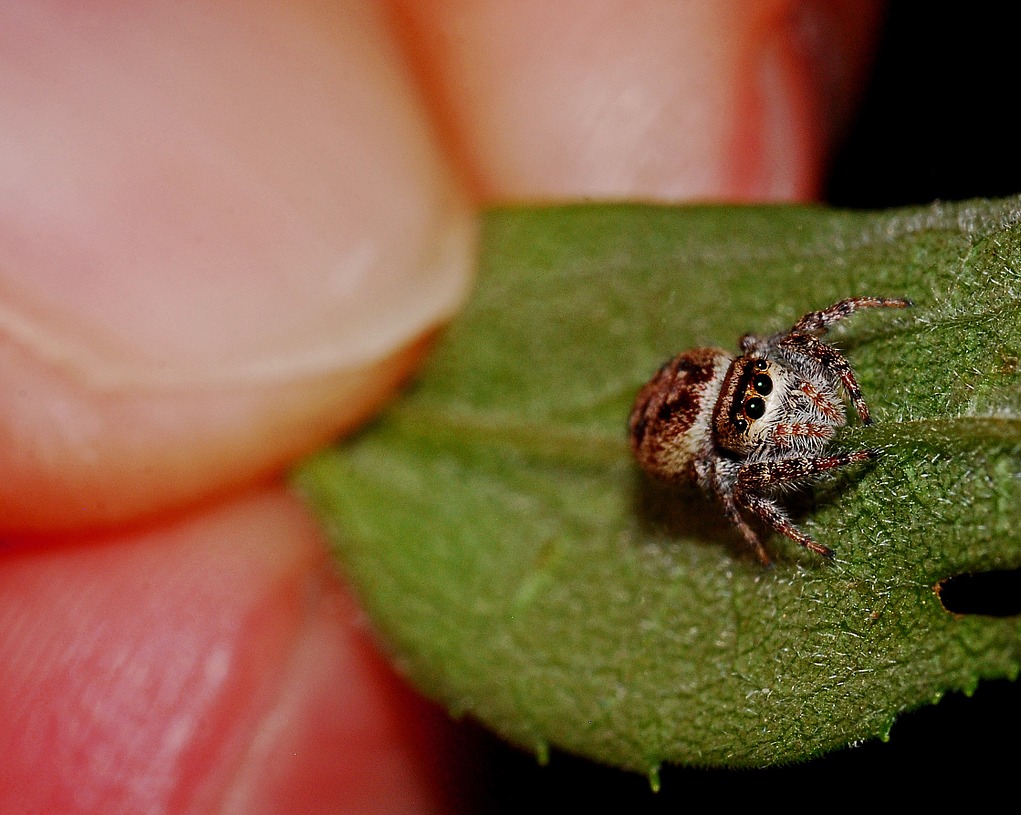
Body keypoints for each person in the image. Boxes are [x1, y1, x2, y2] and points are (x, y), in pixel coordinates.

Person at [0, 2, 879, 811]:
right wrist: (784, 520)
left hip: (730, 411)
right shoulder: (720, 440)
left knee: (755, 457)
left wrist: (786, 499)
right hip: (725, 421)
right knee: (748, 477)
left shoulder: (745, 391)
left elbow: (758, 436)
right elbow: (743, 485)